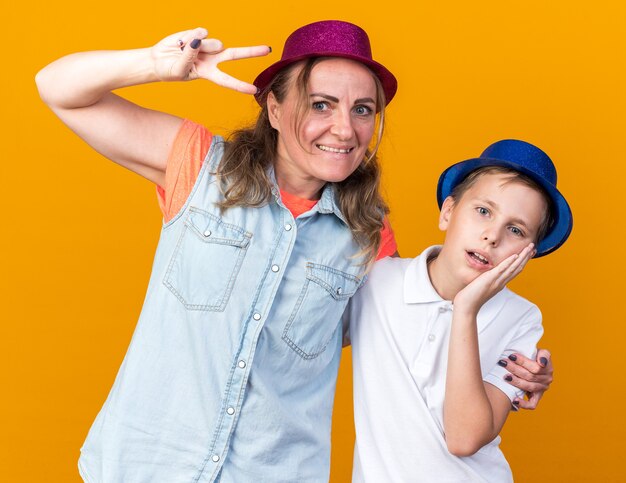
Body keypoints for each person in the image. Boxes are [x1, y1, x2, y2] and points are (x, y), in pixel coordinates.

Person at [36, 20, 553, 482]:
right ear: (276, 108)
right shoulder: (199, 166)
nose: (344, 129)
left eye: (362, 110)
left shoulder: (369, 235)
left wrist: (511, 376)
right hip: (144, 466)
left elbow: (418, 335)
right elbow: (56, 88)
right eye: (321, 104)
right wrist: (155, 64)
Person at [348, 139, 572, 482]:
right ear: (448, 211)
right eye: (483, 211)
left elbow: (465, 438)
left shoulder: (522, 319)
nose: (492, 236)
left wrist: (465, 310)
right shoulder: (377, 282)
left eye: (516, 230)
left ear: (528, 253)